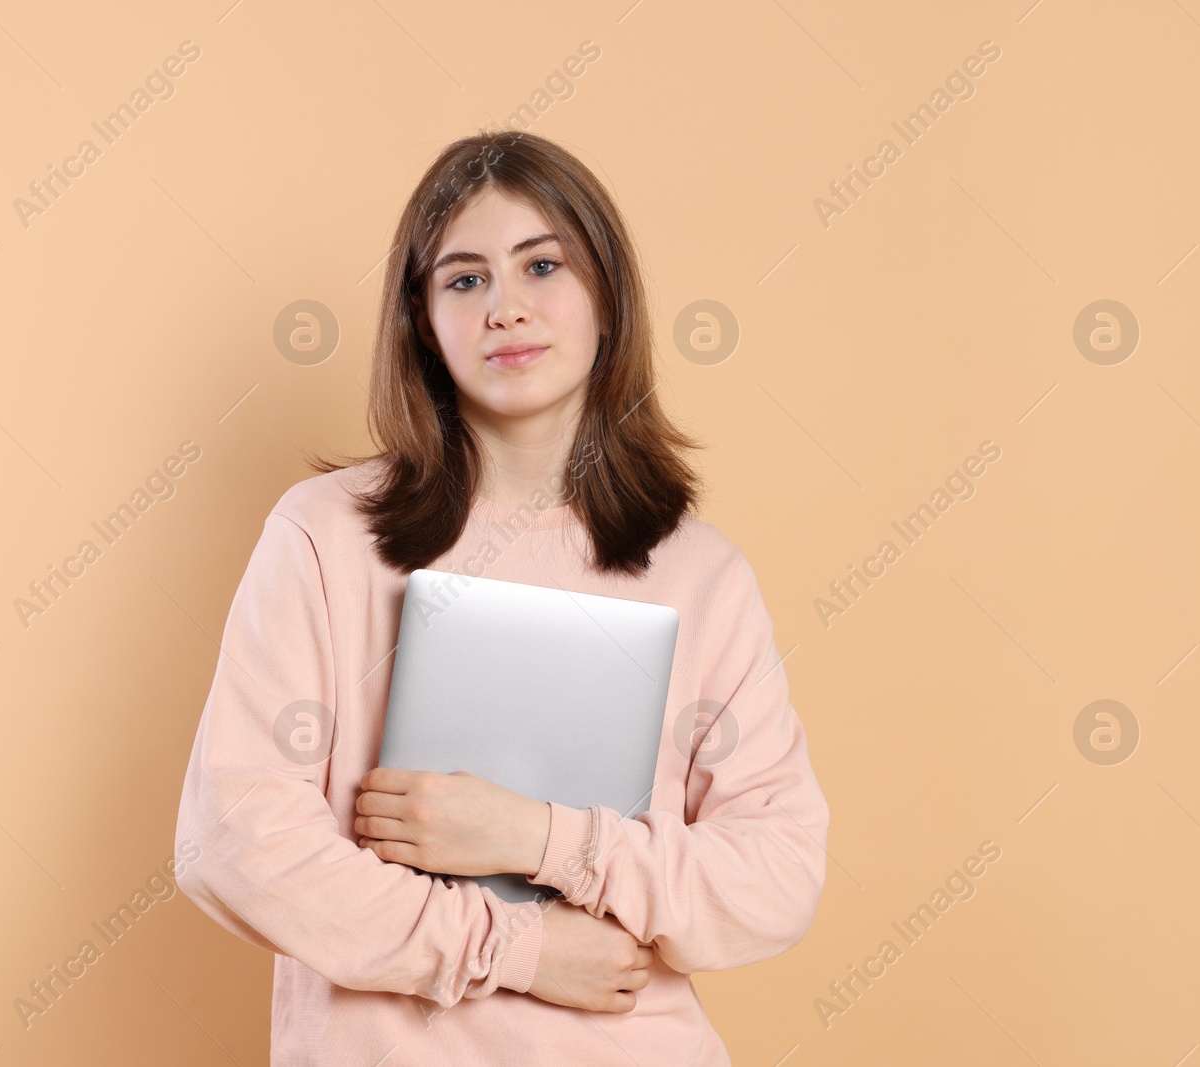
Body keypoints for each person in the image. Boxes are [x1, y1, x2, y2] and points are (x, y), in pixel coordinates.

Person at [173, 129, 830, 1065]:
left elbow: (775, 879)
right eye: (466, 279)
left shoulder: (703, 573)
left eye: (542, 265)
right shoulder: (323, 535)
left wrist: (537, 836)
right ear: (423, 322)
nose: (507, 309)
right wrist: (518, 948)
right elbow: (235, 841)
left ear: (608, 296)